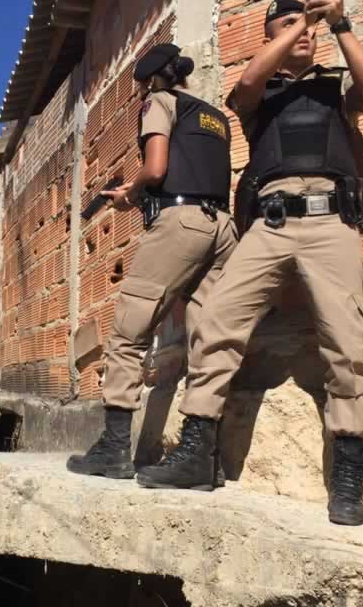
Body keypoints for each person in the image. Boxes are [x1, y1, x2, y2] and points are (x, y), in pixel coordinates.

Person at [142, 0, 363, 524]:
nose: (303, 33)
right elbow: (249, 81)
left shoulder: (333, 88)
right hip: (269, 226)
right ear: (272, 37)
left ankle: (348, 475)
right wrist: (303, 21)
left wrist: (339, 23)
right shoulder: (258, 96)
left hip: (331, 221)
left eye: (306, 26)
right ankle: (197, 452)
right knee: (216, 322)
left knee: (346, 345)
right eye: (287, 27)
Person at [66, 43, 238, 487]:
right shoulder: (214, 116)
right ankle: (200, 457)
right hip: (223, 227)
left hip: (181, 223)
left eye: (143, 85)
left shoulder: (158, 101)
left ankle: (113, 449)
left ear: (153, 80)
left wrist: (131, 191)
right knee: (209, 339)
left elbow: (157, 168)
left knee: (128, 333)